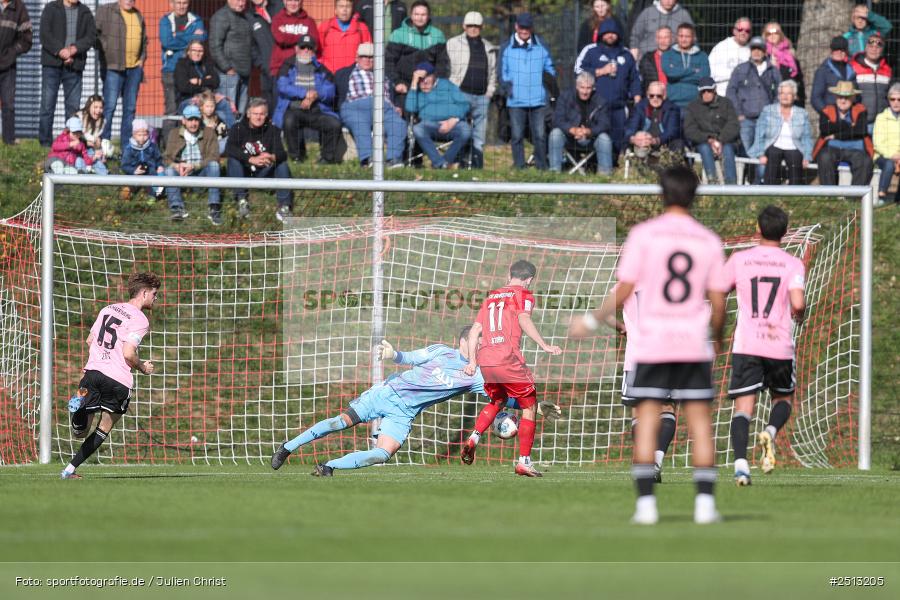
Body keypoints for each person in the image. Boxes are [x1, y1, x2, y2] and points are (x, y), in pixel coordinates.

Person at [569, 165, 727, 525]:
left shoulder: (643, 235)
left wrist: (592, 321)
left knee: (645, 418)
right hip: (691, 345)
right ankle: (704, 507)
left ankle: (645, 508)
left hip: (652, 344)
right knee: (700, 425)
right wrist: (717, 336)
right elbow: (718, 303)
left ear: (662, 193)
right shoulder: (708, 240)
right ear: (694, 196)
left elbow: (624, 289)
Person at [270, 327, 546, 475]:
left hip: (404, 413)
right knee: (339, 422)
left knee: (381, 454)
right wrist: (394, 354)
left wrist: (534, 406)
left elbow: (503, 398)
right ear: (465, 341)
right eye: (479, 342)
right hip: (387, 392)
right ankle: (288, 447)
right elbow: (412, 358)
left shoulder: (476, 376)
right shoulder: (441, 352)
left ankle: (328, 467)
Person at [723, 205, 805, 486]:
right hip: (778, 344)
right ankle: (770, 431)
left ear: (758, 229)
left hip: (747, 344)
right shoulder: (793, 263)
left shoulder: (739, 259)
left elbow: (718, 288)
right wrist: (800, 315)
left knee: (744, 407)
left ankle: (741, 466)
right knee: (783, 400)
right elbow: (797, 303)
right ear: (785, 232)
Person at [460, 259, 563, 477]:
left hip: (486, 360)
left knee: (497, 400)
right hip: (508, 359)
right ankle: (524, 461)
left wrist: (472, 361)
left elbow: (475, 330)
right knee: (530, 406)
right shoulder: (524, 295)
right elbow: (524, 318)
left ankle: (474, 437)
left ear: (510, 274)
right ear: (530, 279)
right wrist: (544, 344)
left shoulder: (491, 297)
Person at [61, 273, 159, 480]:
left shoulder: (108, 309)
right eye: (154, 294)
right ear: (143, 293)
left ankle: (78, 408)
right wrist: (142, 366)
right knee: (104, 427)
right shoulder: (140, 319)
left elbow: (90, 341)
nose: (155, 298)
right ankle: (69, 470)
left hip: (92, 373)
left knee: (79, 432)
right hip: (117, 380)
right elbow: (128, 353)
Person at [615, 283, 678, 483]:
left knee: (638, 410)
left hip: (637, 358)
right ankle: (656, 462)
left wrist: (622, 327)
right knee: (667, 407)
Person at [574, 18, 641, 153]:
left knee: (618, 139)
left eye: (613, 33)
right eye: (607, 32)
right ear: (601, 34)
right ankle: (594, 164)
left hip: (619, 106)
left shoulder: (626, 54)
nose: (610, 35)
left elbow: (635, 78)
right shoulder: (591, 51)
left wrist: (637, 98)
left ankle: (616, 165)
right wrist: (601, 71)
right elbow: (578, 71)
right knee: (598, 137)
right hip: (596, 106)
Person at [499, 12, 556, 170]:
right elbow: (502, 73)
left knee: (539, 135)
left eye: (527, 28)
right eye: (521, 27)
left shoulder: (541, 46)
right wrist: (509, 89)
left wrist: (546, 87)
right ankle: (519, 166)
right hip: (516, 100)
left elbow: (550, 69)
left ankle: (541, 166)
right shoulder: (506, 47)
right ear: (516, 26)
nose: (524, 31)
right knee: (516, 136)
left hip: (538, 100)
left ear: (531, 28)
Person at [274, 34, 342, 165]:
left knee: (334, 124)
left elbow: (331, 91)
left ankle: (327, 159)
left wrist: (315, 95)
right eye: (303, 47)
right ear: (296, 49)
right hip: (293, 108)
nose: (306, 50)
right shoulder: (287, 66)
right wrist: (305, 93)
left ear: (314, 50)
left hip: (317, 109)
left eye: (309, 48)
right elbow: (282, 86)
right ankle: (296, 157)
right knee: (289, 121)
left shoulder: (321, 69)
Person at [335, 42, 406, 168]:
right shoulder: (344, 73)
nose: (368, 60)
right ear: (357, 58)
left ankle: (393, 159)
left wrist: (396, 105)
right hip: (355, 106)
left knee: (398, 123)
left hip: (383, 107)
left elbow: (393, 94)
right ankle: (368, 159)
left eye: (372, 57)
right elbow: (337, 95)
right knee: (360, 124)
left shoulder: (385, 75)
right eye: (364, 56)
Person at [38, 0, 96, 147]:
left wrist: (74, 49)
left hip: (75, 66)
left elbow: (91, 36)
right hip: (52, 64)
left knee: (73, 108)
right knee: (47, 105)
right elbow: (44, 34)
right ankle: (45, 143)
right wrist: (61, 51)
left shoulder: (85, 12)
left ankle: (70, 142)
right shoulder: (51, 8)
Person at [225, 97, 294, 222]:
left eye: (261, 114)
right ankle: (242, 201)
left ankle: (284, 206)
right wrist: (251, 159)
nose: (258, 117)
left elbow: (282, 154)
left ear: (266, 115)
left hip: (264, 172)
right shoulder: (238, 128)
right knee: (233, 160)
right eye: (255, 114)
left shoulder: (273, 130)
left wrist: (271, 157)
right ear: (248, 114)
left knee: (282, 164)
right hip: (243, 172)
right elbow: (229, 149)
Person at [446, 11, 497, 169]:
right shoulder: (453, 43)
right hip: (460, 93)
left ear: (481, 27)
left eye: (476, 26)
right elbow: (446, 68)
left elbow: (493, 72)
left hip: (482, 96)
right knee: (461, 129)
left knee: (479, 134)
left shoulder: (489, 47)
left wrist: (489, 92)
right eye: (470, 26)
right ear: (464, 26)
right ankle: (458, 161)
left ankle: (476, 165)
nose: (473, 29)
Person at [95, 0, 147, 145]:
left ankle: (126, 145)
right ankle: (104, 142)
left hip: (134, 68)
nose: (129, 1)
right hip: (113, 67)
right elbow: (95, 34)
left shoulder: (138, 15)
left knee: (130, 108)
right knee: (109, 107)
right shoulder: (106, 10)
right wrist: (106, 49)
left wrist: (142, 59)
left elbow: (144, 40)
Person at [404, 61, 471, 169]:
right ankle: (440, 164)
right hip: (429, 126)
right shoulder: (416, 90)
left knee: (466, 130)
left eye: (427, 77)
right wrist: (413, 84)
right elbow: (410, 108)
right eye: (420, 79)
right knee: (417, 129)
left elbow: (465, 105)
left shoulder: (448, 85)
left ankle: (445, 161)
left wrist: (453, 120)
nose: (424, 82)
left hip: (453, 124)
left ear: (434, 76)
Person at [746, 80, 813, 186]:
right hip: (773, 145)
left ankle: (794, 195)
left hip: (794, 147)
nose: (785, 96)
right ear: (778, 95)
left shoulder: (802, 113)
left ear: (794, 96)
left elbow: (807, 137)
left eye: (788, 93)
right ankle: (769, 192)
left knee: (796, 160)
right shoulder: (768, 110)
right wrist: (760, 154)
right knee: (773, 154)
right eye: (782, 93)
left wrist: (807, 156)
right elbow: (759, 134)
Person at [162, 105, 221, 223]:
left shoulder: (209, 133)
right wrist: (177, 166)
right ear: (183, 120)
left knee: (214, 165)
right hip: (181, 173)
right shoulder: (174, 133)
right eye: (190, 120)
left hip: (201, 172)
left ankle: (214, 207)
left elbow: (214, 156)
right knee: (169, 171)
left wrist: (194, 166)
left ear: (200, 120)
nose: (193, 123)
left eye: (196, 120)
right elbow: (166, 158)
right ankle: (177, 208)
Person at [385, 0, 447, 111]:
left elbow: (442, 63)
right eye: (416, 14)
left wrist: (435, 80)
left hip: (429, 86)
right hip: (404, 87)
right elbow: (388, 62)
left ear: (428, 16)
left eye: (423, 14)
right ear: (411, 15)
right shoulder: (398, 34)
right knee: (403, 121)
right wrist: (397, 82)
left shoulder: (438, 35)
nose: (420, 18)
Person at [548, 71, 613, 174]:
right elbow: (557, 119)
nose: (585, 92)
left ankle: (605, 177)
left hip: (590, 138)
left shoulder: (601, 101)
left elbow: (605, 124)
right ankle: (554, 172)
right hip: (569, 137)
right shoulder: (565, 97)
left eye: (588, 88)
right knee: (555, 134)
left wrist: (588, 131)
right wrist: (572, 129)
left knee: (604, 139)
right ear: (577, 86)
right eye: (582, 87)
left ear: (593, 88)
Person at [726, 36, 781, 157]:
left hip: (766, 120)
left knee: (762, 155)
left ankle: (759, 177)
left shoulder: (773, 71)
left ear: (765, 51)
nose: (756, 52)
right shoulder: (741, 69)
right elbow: (731, 91)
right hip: (745, 120)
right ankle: (747, 176)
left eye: (759, 49)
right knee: (747, 153)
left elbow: (780, 92)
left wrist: (773, 112)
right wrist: (738, 113)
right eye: (753, 49)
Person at [812, 80, 873, 187]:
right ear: (836, 97)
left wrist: (835, 135)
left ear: (853, 97)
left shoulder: (861, 109)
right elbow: (825, 129)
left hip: (856, 149)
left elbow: (861, 130)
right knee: (824, 157)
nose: (843, 100)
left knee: (865, 161)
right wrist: (848, 125)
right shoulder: (827, 110)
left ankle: (854, 198)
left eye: (847, 97)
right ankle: (830, 195)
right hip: (832, 148)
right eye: (840, 97)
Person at [684, 77, 739, 184]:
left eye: (709, 90)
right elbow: (690, 130)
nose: (706, 93)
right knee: (704, 148)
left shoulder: (726, 103)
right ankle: (711, 180)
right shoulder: (693, 107)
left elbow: (733, 125)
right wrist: (709, 139)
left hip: (725, 140)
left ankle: (731, 184)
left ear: (714, 90)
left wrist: (720, 140)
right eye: (703, 91)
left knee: (728, 149)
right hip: (703, 141)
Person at [159, 0, 207, 117]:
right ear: (172, 4)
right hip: (170, 70)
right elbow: (167, 42)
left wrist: (177, 35)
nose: (181, 6)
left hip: (191, 70)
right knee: (171, 110)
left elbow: (200, 38)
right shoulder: (165, 20)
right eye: (178, 3)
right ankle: (169, 135)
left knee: (192, 108)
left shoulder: (196, 20)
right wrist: (190, 37)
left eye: (184, 3)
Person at [174, 40, 235, 127]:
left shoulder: (207, 63)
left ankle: (233, 133)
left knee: (224, 103)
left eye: (200, 51)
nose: (197, 53)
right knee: (195, 109)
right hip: (188, 99)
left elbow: (216, 82)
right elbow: (184, 87)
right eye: (194, 50)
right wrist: (206, 82)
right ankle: (202, 134)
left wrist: (199, 81)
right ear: (188, 52)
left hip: (207, 97)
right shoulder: (181, 65)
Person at [210, 0, 253, 116]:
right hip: (228, 75)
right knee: (228, 112)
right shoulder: (221, 17)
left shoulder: (245, 17)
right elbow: (214, 46)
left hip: (244, 73)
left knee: (241, 112)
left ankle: (238, 134)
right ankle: (227, 135)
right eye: (238, 0)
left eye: (243, 0)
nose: (241, 3)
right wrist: (227, 68)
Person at [0, 0, 32, 145]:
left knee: (8, 104)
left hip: (8, 66)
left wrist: (12, 52)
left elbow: (27, 39)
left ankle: (8, 140)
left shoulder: (19, 8)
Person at [624, 80, 683, 157]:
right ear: (647, 95)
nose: (655, 99)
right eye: (652, 95)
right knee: (628, 140)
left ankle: (674, 168)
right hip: (643, 140)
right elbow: (631, 126)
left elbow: (672, 131)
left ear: (664, 95)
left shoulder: (672, 109)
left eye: (659, 96)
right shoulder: (640, 107)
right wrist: (633, 139)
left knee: (678, 143)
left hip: (663, 141)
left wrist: (656, 141)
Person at [661, 22, 709, 110]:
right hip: (673, 103)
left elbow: (703, 77)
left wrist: (678, 75)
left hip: (696, 104)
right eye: (681, 36)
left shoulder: (702, 56)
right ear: (676, 37)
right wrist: (693, 70)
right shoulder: (667, 55)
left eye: (687, 36)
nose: (684, 39)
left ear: (693, 38)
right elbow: (670, 74)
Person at [850, 32, 891, 133]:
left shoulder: (887, 70)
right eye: (871, 46)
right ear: (866, 48)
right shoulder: (853, 67)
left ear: (882, 50)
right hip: (861, 124)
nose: (874, 49)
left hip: (882, 125)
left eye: (878, 47)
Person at [318, 0, 371, 75]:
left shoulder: (362, 28)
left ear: (352, 9)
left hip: (353, 75)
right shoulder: (325, 27)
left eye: (348, 7)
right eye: (341, 6)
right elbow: (318, 52)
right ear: (335, 10)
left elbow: (368, 53)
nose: (344, 10)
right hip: (330, 75)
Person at [629, 0, 693, 59]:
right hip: (646, 58)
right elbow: (635, 36)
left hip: (674, 59)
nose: (668, 1)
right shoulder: (647, 12)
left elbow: (692, 39)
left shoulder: (683, 15)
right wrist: (634, 56)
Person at [269, 0, 318, 77]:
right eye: (289, 0)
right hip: (280, 68)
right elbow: (281, 39)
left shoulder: (309, 21)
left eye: (296, 0)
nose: (293, 3)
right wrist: (303, 37)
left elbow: (314, 42)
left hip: (303, 68)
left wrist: (287, 36)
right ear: (284, 1)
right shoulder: (277, 19)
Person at [120, 119, 165, 200]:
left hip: (150, 172)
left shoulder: (152, 146)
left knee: (155, 185)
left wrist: (159, 166)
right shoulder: (129, 148)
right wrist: (133, 170)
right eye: (139, 135)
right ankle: (127, 192)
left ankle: (154, 196)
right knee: (134, 183)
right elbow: (124, 165)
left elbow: (158, 158)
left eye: (145, 135)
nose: (142, 138)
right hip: (135, 173)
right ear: (134, 134)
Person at [249, 0, 282, 111]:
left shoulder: (279, 7)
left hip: (284, 68)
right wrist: (261, 64)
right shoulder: (250, 16)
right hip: (266, 69)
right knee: (268, 105)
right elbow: (251, 45)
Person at [811, 36, 856, 114]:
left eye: (842, 49)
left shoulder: (852, 70)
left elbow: (856, 94)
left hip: (849, 116)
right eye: (836, 49)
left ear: (846, 51)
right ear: (831, 51)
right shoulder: (823, 71)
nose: (839, 52)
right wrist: (827, 112)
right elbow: (816, 98)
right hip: (830, 117)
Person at [763, 22, 804, 107]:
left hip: (789, 99)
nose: (772, 35)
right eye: (769, 33)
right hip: (769, 99)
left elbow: (797, 79)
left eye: (775, 32)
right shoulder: (762, 54)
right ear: (765, 35)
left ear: (780, 34)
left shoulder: (790, 55)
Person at [709, 17, 752, 97]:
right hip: (722, 93)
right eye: (740, 29)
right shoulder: (721, 47)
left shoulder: (751, 51)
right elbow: (711, 73)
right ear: (734, 31)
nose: (743, 32)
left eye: (747, 31)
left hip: (745, 95)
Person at [873, 83, 900, 205]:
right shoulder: (881, 118)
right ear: (888, 100)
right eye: (893, 99)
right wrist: (893, 155)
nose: (896, 102)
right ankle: (881, 195)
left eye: (899, 99)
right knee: (889, 164)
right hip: (883, 155)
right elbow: (878, 143)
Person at [74, 94, 111, 175]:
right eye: (95, 107)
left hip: (89, 149)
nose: (98, 111)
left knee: (96, 159)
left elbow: (97, 142)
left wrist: (100, 151)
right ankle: (82, 173)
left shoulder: (102, 121)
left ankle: (105, 174)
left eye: (100, 108)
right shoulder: (79, 116)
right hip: (76, 148)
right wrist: (87, 141)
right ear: (89, 106)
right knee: (79, 160)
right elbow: (75, 136)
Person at [638, 26, 671, 95]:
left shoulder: (678, 58)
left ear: (671, 39)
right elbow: (640, 81)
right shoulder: (646, 59)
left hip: (672, 98)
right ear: (656, 39)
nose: (663, 41)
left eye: (666, 37)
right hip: (653, 98)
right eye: (660, 38)